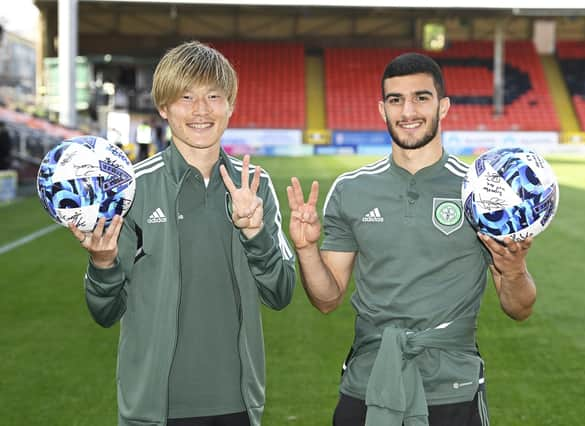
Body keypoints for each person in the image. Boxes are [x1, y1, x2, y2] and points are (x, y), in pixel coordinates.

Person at [286, 53, 537, 426]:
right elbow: (327, 299)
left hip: (453, 386)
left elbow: (519, 308)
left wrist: (514, 270)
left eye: (421, 97)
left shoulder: (481, 192)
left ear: (444, 106)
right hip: (368, 383)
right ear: (381, 109)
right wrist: (306, 250)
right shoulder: (351, 189)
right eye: (395, 100)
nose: (408, 111)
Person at [69, 41, 296, 426]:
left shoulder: (255, 186)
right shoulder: (130, 191)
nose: (201, 110)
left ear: (230, 105)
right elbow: (104, 312)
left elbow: (281, 293)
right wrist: (103, 264)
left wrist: (256, 235)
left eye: (213, 96)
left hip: (237, 405)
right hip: (155, 409)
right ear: (164, 107)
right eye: (186, 97)